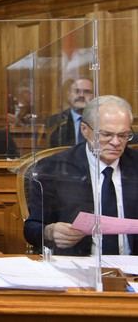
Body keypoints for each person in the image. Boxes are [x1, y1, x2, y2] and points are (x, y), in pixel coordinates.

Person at [24, 95, 138, 256]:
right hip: (77, 267)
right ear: (84, 130)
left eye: (123, 135)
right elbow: (31, 228)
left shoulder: (135, 165)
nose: (116, 142)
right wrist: (50, 232)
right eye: (106, 134)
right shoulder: (54, 169)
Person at [45, 78, 94, 147]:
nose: (81, 95)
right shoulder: (54, 122)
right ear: (68, 95)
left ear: (94, 96)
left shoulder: (101, 120)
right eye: (77, 91)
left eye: (87, 92)